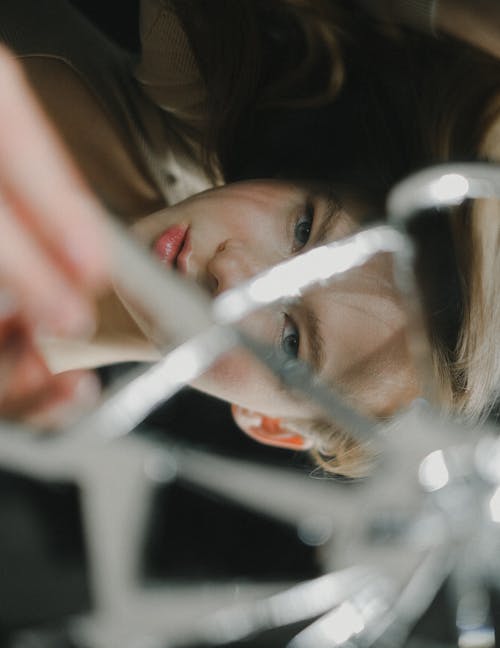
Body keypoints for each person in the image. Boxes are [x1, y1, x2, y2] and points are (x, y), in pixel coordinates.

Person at [0, 0, 500, 477]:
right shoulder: (190, 113)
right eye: (303, 231)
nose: (233, 274)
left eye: (289, 344)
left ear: (272, 426)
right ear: (305, 178)